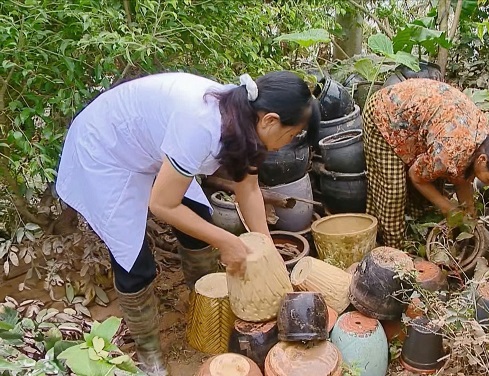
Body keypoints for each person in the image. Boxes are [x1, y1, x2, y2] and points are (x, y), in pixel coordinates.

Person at [55, 71, 319, 375]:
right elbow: (162, 204)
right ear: (270, 120)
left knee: (199, 222)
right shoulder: (201, 124)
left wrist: (265, 249)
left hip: (150, 147)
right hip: (107, 148)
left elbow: (247, 188)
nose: (285, 144)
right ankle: (149, 353)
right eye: (290, 135)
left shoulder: (247, 118)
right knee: (134, 260)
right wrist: (227, 241)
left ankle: (204, 303)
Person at [363, 78, 489, 249]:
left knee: (429, 191)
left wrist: (469, 210)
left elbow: (463, 175)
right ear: (483, 160)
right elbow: (416, 176)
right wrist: (447, 207)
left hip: (418, 119)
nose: (488, 184)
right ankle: (395, 250)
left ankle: (415, 233)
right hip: (385, 114)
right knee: (394, 192)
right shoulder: (450, 152)